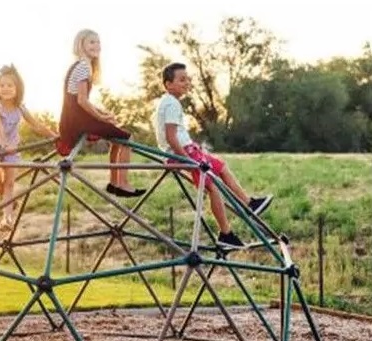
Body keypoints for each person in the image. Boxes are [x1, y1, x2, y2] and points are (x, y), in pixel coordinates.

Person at [154, 62, 273, 248]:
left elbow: (173, 135)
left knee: (221, 168)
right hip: (182, 153)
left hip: (188, 150)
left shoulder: (169, 102)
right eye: (181, 80)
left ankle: (248, 204)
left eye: (188, 79)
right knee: (213, 188)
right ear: (168, 84)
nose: (187, 83)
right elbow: (170, 136)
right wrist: (184, 158)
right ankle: (226, 233)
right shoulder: (171, 104)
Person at [57, 29, 146, 198]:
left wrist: (102, 113)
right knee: (127, 138)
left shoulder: (79, 65)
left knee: (117, 138)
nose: (96, 45)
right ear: (80, 44)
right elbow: (82, 101)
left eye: (98, 42)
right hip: (77, 121)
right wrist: (101, 117)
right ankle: (123, 184)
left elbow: (79, 99)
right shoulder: (83, 66)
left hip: (72, 119)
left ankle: (114, 183)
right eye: (91, 42)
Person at [0, 65, 58, 231]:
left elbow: (36, 125)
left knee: (9, 183)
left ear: (18, 88)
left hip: (12, 149)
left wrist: (54, 136)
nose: (5, 89)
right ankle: (9, 201)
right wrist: (5, 145)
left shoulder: (20, 108)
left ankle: (7, 219)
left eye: (9, 86)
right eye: (2, 86)